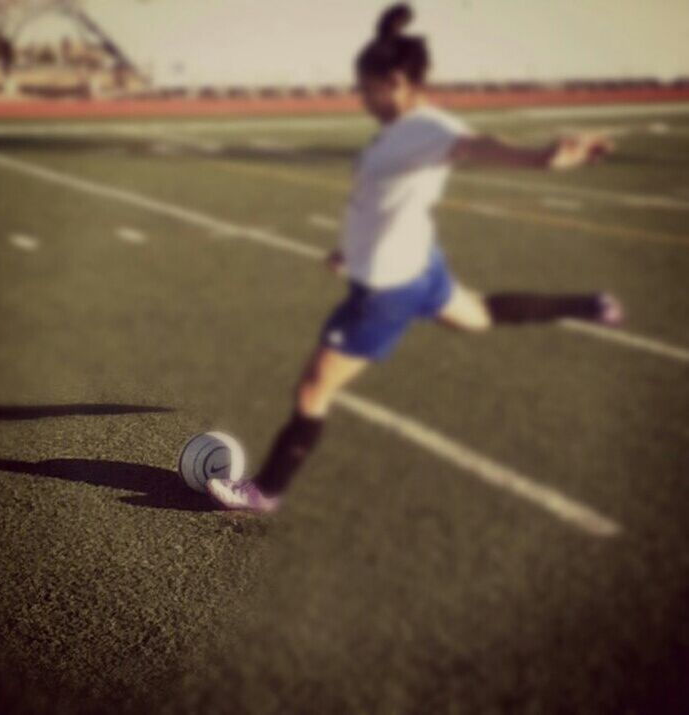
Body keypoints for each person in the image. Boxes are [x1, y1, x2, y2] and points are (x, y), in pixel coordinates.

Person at [208, 3, 622, 513]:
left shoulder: (426, 129)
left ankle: (265, 491)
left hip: (386, 293)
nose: (361, 98)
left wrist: (540, 157)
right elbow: (382, 201)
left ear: (396, 81)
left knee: (314, 390)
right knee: (478, 316)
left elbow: (476, 145)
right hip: (421, 267)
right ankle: (592, 304)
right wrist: (351, 250)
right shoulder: (402, 129)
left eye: (366, 88)